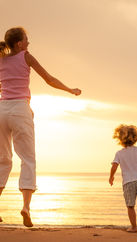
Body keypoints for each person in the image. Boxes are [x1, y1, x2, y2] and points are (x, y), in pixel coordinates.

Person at [0, 27, 81, 227]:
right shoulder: (26, 56)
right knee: (28, 159)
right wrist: (70, 90)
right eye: (27, 39)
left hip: (1, 109)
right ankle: (26, 207)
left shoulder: (0, 59)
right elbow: (49, 79)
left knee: (2, 160)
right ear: (19, 43)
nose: (29, 42)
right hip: (20, 109)